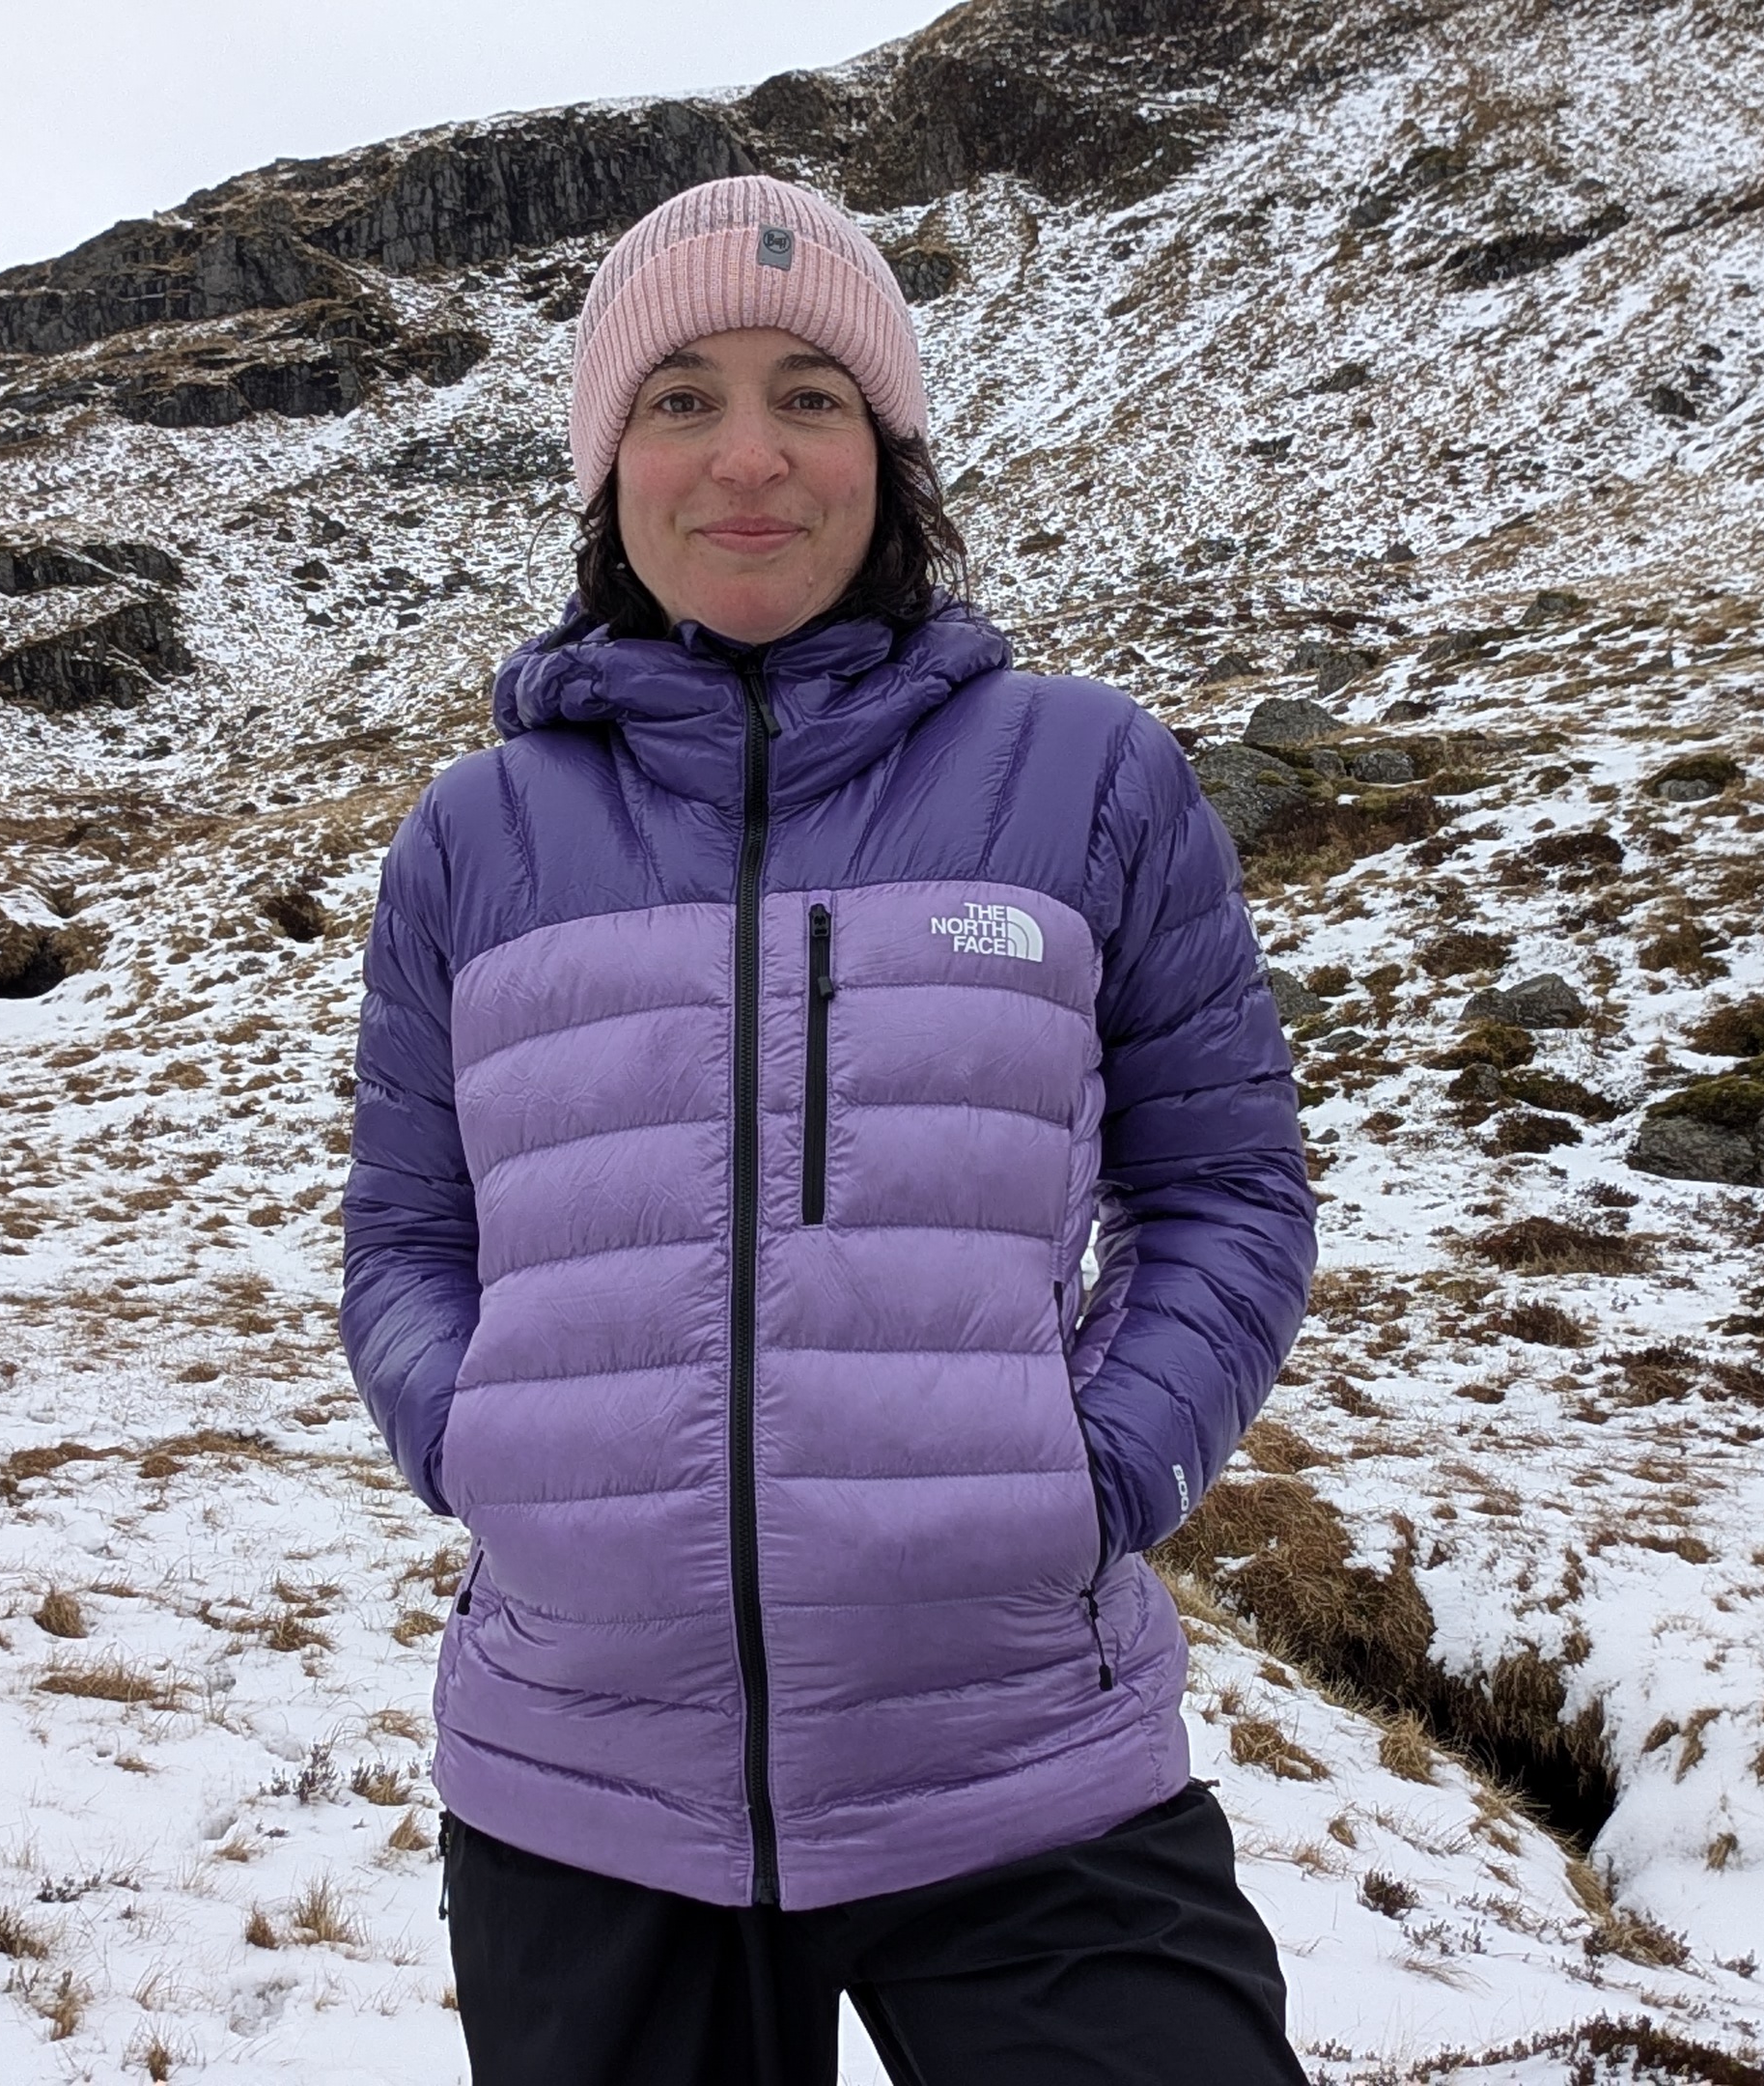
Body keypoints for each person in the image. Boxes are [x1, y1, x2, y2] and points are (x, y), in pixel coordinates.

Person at [342, 173, 1317, 2086]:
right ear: (608, 458)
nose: (748, 458)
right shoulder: (480, 839)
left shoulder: (1084, 773)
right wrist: (477, 1444)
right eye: (681, 396)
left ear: (890, 447)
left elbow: (1224, 1189)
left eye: (809, 394)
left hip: (1022, 1764)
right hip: (584, 1784)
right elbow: (407, 1231)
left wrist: (1095, 1471)